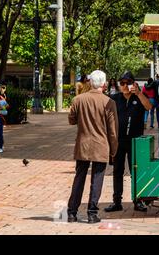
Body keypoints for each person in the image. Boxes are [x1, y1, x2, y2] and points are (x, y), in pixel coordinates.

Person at [67, 70, 118, 224]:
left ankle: (72, 213)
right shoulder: (109, 102)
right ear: (104, 84)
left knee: (79, 178)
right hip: (101, 145)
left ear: (90, 82)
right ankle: (92, 213)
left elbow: (71, 120)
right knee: (97, 179)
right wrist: (114, 150)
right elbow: (113, 130)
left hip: (83, 145)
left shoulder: (78, 99)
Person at [105, 71, 152, 213]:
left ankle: (138, 201)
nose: (125, 86)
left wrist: (138, 93)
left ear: (134, 84)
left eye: (128, 83)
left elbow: (149, 107)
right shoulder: (113, 98)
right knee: (117, 171)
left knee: (136, 171)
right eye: (122, 83)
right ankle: (116, 201)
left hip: (135, 141)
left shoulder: (138, 97)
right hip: (118, 141)